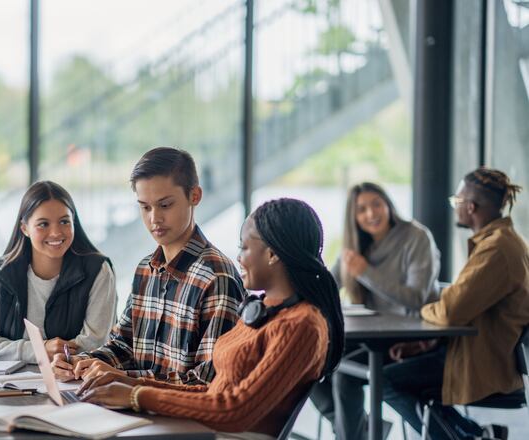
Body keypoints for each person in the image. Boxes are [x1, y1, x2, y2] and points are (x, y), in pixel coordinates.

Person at [77, 198, 345, 439]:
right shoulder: (263, 309)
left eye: (245, 248)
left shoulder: (301, 325)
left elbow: (235, 409)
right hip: (207, 430)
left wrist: (138, 396)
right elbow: (215, 393)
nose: (238, 258)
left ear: (273, 254)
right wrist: (132, 383)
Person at [52, 147, 245, 385]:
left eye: (165, 205)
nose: (154, 219)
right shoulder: (145, 270)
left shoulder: (217, 279)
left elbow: (207, 381)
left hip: (177, 419)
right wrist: (82, 362)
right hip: (132, 408)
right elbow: (123, 346)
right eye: (145, 207)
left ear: (194, 196)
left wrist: (125, 378)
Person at [382, 167, 529, 439]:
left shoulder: (496, 249)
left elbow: (450, 311)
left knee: (385, 381)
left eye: (456, 202)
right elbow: (464, 307)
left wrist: (425, 308)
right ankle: (475, 433)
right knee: (397, 373)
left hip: (482, 364)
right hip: (476, 352)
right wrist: (427, 342)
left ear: (471, 207)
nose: (455, 207)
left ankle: (466, 437)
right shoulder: (501, 242)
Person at [310, 182, 441, 440]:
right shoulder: (357, 246)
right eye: (362, 209)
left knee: (344, 372)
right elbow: (326, 288)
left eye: (376, 204)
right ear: (354, 217)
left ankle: (353, 434)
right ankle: (359, 430)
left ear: (388, 205)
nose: (371, 213)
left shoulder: (416, 237)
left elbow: (415, 298)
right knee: (308, 359)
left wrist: (366, 273)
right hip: (372, 338)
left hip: (412, 339)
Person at [0, 180, 117, 363]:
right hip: (9, 386)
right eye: (43, 224)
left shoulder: (98, 271)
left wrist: (57, 359)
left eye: (64, 222)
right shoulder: (1, 273)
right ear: (25, 228)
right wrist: (39, 350)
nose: (56, 233)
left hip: (76, 383)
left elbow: (96, 343)